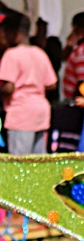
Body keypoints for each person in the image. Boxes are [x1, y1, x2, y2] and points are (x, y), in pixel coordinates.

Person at [0, 0, 63, 101]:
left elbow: (42, 20)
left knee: (43, 93)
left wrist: (37, 55)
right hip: (40, 42)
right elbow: (30, 16)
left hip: (44, 42)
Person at [0, 11, 57, 155]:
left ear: (13, 33)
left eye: (4, 33)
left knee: (20, 162)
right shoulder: (39, 53)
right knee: (38, 160)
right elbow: (51, 84)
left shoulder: (11, 55)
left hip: (21, 114)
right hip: (41, 112)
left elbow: (8, 88)